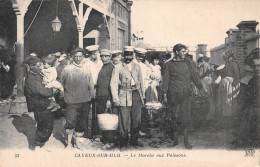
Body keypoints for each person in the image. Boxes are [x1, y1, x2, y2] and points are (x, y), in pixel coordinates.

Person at [162, 43, 205, 149]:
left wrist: (201, 88)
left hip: (185, 94)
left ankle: (186, 141)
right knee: (174, 116)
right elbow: (166, 80)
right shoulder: (168, 65)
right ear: (176, 52)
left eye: (185, 51)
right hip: (173, 94)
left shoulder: (189, 62)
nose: (185, 53)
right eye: (183, 51)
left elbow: (195, 76)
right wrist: (164, 94)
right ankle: (175, 140)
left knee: (186, 117)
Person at [59, 47, 95, 148]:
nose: (78, 59)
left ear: (83, 57)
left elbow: (91, 83)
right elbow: (61, 83)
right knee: (70, 122)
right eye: (76, 57)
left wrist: (92, 96)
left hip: (85, 100)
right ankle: (69, 143)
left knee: (82, 122)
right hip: (71, 101)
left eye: (80, 57)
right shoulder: (67, 69)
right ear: (72, 57)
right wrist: (63, 96)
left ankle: (77, 142)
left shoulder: (87, 69)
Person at [110, 46, 145, 148]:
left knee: (136, 120)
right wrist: (115, 99)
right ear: (123, 55)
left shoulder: (137, 66)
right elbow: (113, 83)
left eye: (130, 54)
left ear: (133, 55)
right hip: (124, 95)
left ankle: (134, 140)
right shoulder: (118, 67)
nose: (128, 56)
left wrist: (142, 95)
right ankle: (123, 142)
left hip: (136, 94)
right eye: (126, 54)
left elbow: (141, 81)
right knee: (124, 120)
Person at [23, 56, 54, 151]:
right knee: (44, 126)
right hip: (39, 105)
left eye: (40, 65)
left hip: (43, 103)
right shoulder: (31, 78)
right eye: (38, 65)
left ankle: (42, 145)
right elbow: (42, 91)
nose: (41, 67)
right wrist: (52, 90)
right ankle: (37, 146)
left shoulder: (37, 74)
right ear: (32, 66)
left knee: (47, 125)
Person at [234, 48, 260, 147]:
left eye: (259, 66)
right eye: (254, 66)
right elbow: (247, 98)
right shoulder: (252, 81)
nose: (256, 68)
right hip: (253, 112)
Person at [95, 49, 116, 149]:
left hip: (107, 96)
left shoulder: (112, 68)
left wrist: (109, 99)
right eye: (102, 56)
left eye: (106, 56)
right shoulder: (103, 66)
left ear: (110, 57)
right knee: (102, 118)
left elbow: (112, 85)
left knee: (109, 119)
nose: (104, 58)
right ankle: (104, 138)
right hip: (100, 96)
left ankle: (110, 141)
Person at [84, 45, 103, 140]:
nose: (94, 55)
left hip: (98, 88)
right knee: (86, 112)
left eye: (95, 53)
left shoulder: (101, 62)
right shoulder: (86, 63)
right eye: (92, 54)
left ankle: (96, 134)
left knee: (97, 111)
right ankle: (86, 134)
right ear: (89, 54)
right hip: (88, 88)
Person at [217, 50, 241, 116]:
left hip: (230, 84)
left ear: (230, 57)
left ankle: (230, 114)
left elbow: (237, 75)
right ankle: (225, 113)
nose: (225, 59)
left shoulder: (234, 64)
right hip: (225, 83)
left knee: (229, 99)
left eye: (226, 58)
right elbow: (222, 74)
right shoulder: (227, 64)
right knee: (225, 98)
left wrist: (234, 84)